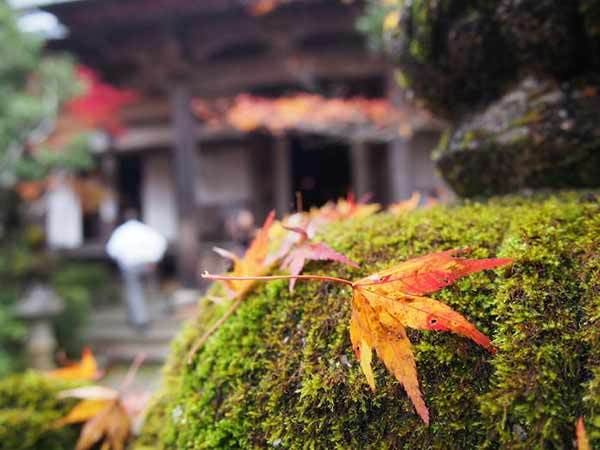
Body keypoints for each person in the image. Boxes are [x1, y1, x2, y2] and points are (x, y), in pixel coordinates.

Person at [106, 210, 167, 330]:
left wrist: (122, 259)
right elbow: (160, 242)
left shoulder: (121, 231)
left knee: (134, 291)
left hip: (129, 265)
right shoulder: (146, 230)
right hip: (147, 264)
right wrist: (155, 259)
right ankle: (152, 315)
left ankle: (141, 319)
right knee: (150, 289)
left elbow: (111, 249)